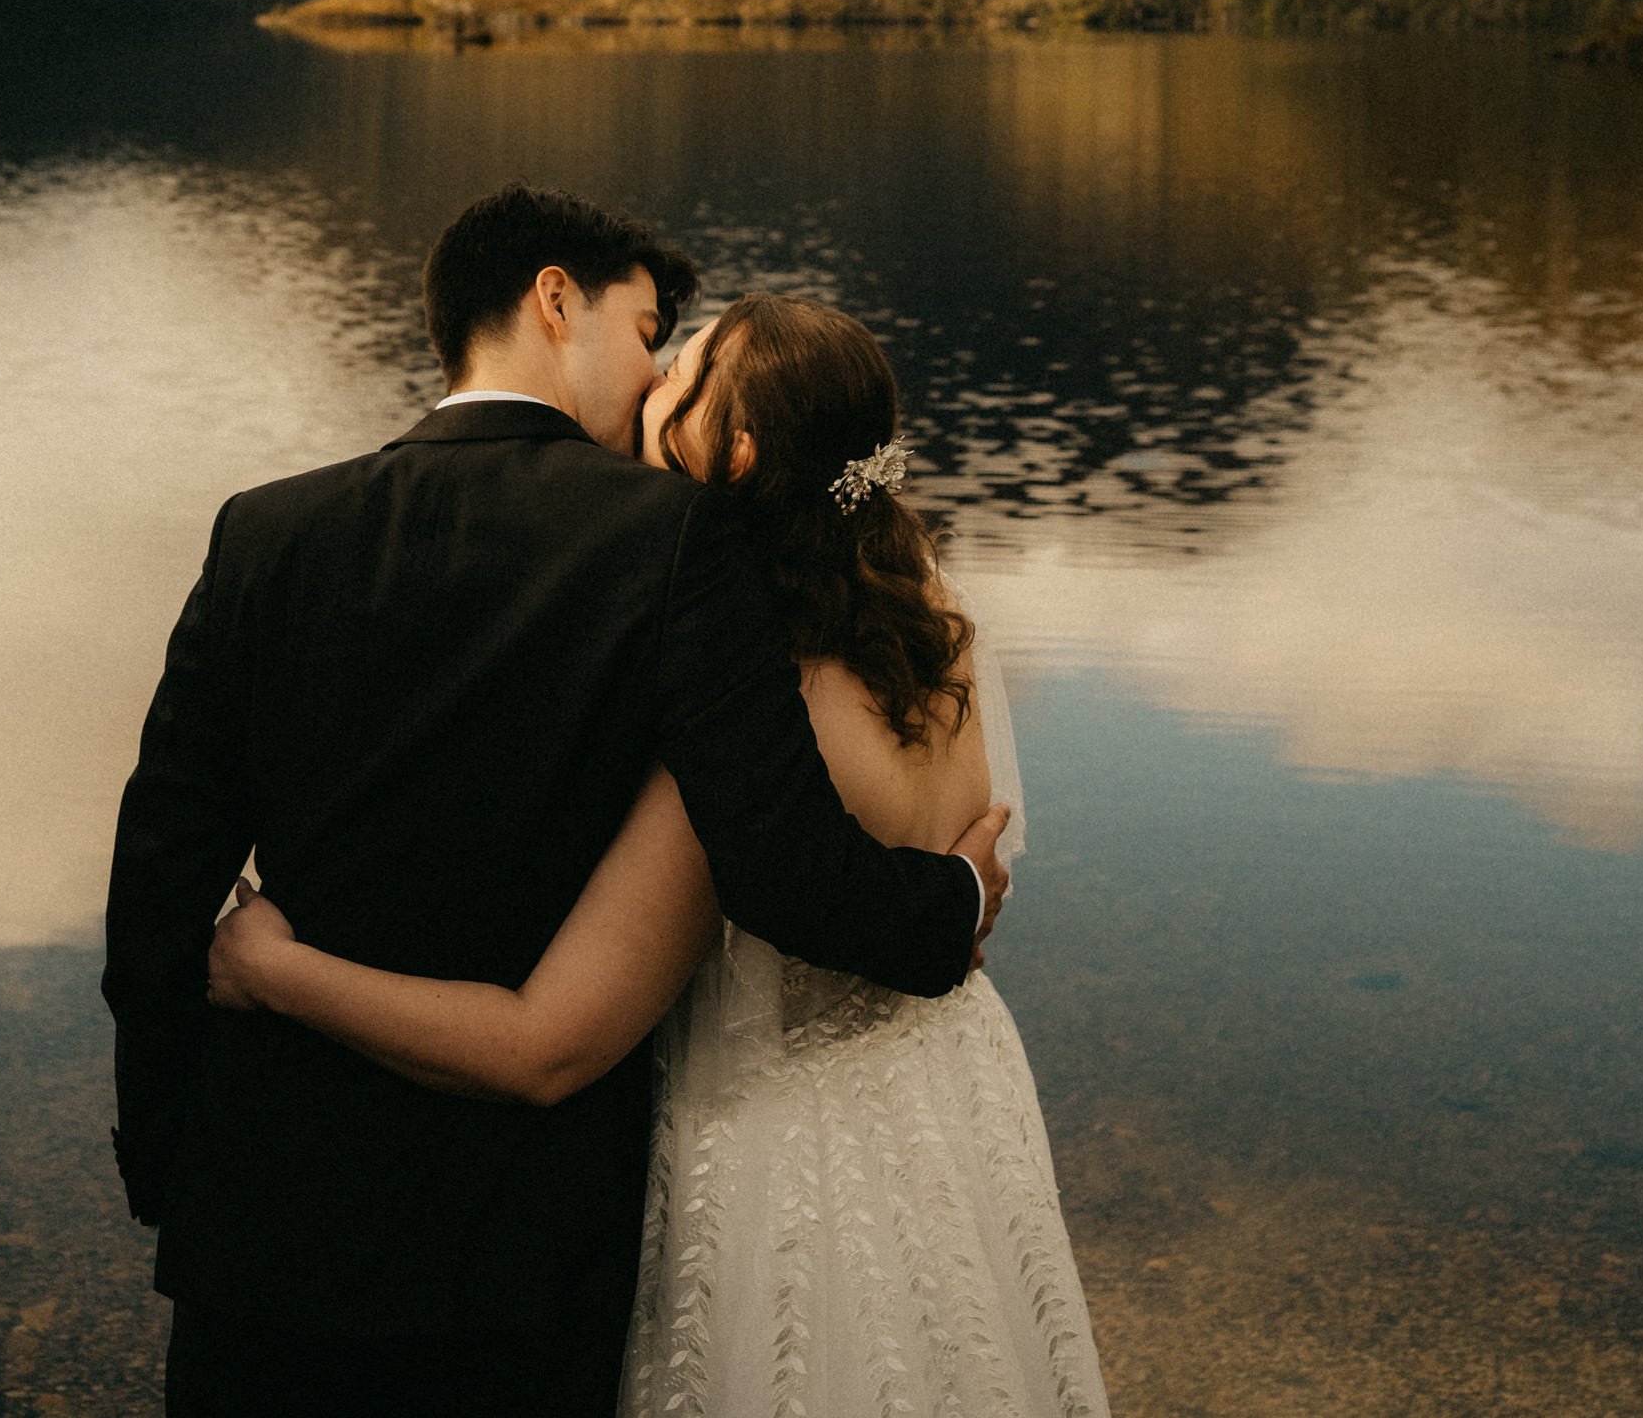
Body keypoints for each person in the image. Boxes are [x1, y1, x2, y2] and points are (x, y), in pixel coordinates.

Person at [103, 189, 1010, 1418]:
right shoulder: (680, 543)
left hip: (262, 1226)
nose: (647, 381)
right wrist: (950, 897)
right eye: (645, 333)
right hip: (517, 1244)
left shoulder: (264, 530)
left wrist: (168, 1165)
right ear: (551, 300)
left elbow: (158, 875)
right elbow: (785, 865)